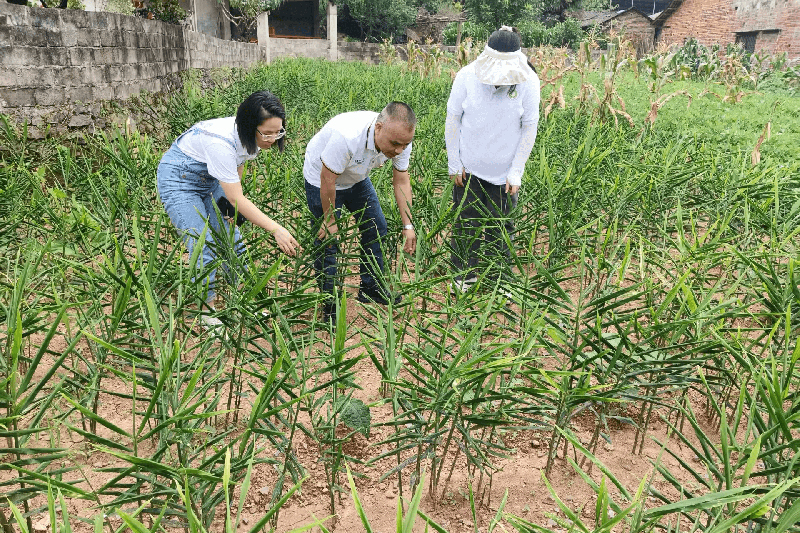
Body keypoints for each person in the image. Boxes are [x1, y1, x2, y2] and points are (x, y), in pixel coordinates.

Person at [157, 90, 300, 330]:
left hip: (212, 179)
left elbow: (238, 166)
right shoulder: (220, 142)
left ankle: (246, 299)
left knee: (232, 239)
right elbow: (236, 198)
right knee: (202, 244)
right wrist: (276, 229)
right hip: (179, 180)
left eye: (279, 131)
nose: (273, 139)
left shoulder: (254, 140)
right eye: (267, 133)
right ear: (249, 126)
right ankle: (207, 311)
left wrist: (230, 209)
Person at [445, 26, 540, 294]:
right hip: (469, 168)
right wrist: (455, 162)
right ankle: (464, 278)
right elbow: (453, 118)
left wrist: (516, 172)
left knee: (502, 228)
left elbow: (529, 127)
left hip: (504, 172)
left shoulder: (529, 82)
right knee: (467, 224)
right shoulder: (466, 77)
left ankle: (499, 280)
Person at [303, 102, 417, 319]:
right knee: (328, 240)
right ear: (379, 127)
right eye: (395, 144)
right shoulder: (347, 136)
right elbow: (328, 178)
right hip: (322, 179)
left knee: (376, 227)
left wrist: (408, 224)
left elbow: (401, 181)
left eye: (404, 145)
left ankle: (370, 288)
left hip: (356, 177)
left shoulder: (400, 139)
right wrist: (329, 220)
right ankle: (330, 303)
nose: (399, 150)